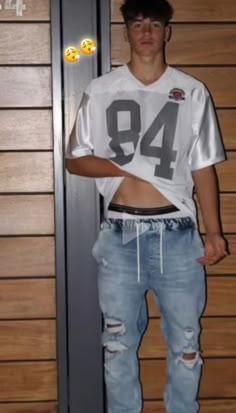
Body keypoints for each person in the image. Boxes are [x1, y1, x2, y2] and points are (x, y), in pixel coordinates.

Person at [66, 0, 228, 412]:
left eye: (155, 24)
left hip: (178, 235)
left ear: (167, 32)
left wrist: (213, 232)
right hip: (121, 234)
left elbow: (204, 166)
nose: (147, 32)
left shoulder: (191, 91)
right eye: (138, 24)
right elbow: (75, 158)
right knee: (118, 346)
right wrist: (130, 170)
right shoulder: (101, 89)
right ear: (126, 32)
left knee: (187, 344)